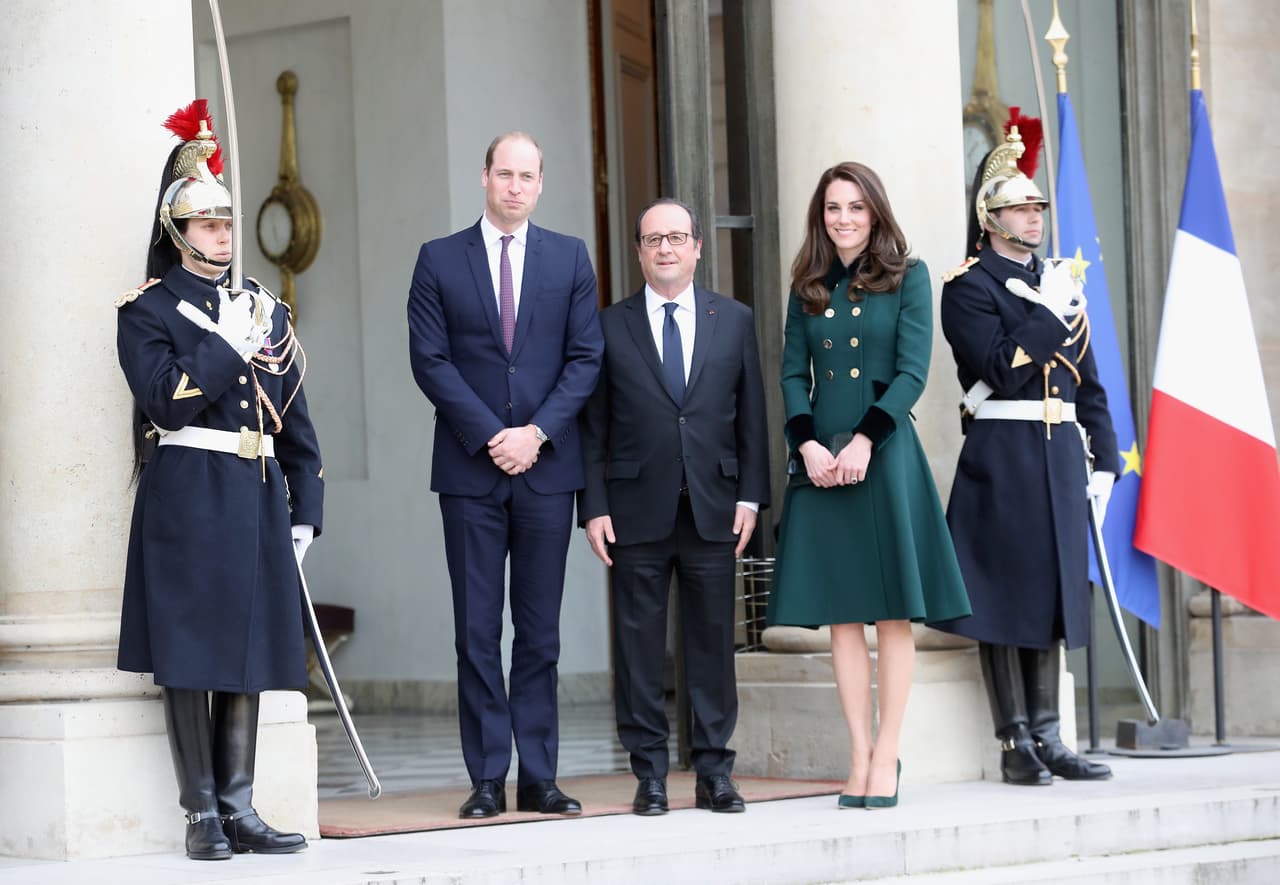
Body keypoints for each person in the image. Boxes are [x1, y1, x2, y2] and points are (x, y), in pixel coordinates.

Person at [116, 101, 322, 860]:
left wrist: (310, 507)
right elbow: (164, 394)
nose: (223, 235)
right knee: (190, 653)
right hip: (188, 488)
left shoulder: (262, 307)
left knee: (247, 651)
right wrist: (225, 347)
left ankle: (240, 804)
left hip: (255, 490)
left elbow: (296, 413)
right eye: (207, 224)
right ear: (177, 232)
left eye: (227, 223)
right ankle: (200, 810)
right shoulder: (147, 313)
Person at [407, 132, 604, 819]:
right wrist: (494, 434)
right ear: (484, 177)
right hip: (470, 472)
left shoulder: (571, 257)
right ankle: (488, 776)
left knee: (540, 631)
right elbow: (430, 360)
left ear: (541, 183)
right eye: (505, 173)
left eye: (527, 175)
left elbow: (585, 358)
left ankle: (540, 775)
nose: (515, 186)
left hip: (547, 471)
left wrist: (536, 433)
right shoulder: (438, 260)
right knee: (477, 629)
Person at [767, 162, 971, 810]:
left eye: (856, 206)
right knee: (843, 618)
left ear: (875, 212)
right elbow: (792, 374)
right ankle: (857, 752)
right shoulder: (807, 283)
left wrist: (862, 441)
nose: (844, 218)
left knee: (890, 613)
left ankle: (888, 752)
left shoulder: (909, 278)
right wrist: (806, 443)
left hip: (884, 457)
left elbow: (914, 371)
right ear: (820, 216)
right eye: (833, 207)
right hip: (821, 461)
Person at [930, 126, 1117, 785]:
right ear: (990, 219)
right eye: (1019, 208)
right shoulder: (969, 287)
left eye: (1038, 208)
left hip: (1059, 453)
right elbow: (1000, 370)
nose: (1033, 217)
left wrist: (1105, 462)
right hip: (1003, 453)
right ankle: (1014, 741)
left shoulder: (1061, 282)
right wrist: (1049, 313)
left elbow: (1088, 383)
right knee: (1004, 600)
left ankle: (1051, 734)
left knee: (1054, 593)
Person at [579, 198, 770, 816]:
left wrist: (750, 495)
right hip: (633, 510)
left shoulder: (734, 320)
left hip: (715, 507)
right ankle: (650, 775)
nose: (665, 247)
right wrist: (594, 505)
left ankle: (715, 771)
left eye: (677, 237)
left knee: (714, 642)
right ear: (638, 251)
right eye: (653, 238)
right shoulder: (609, 326)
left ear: (697, 247)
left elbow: (753, 417)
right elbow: (593, 428)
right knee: (637, 647)